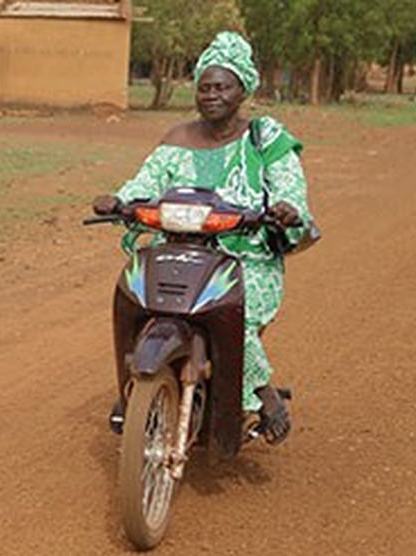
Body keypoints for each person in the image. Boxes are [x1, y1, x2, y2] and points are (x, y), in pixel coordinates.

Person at [93, 32, 317, 444]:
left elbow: (289, 185)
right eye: (205, 87)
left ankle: (263, 394)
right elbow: (146, 181)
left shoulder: (265, 138)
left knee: (240, 313)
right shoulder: (176, 140)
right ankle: (131, 386)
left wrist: (285, 207)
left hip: (247, 255)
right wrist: (120, 200)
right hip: (178, 247)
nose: (212, 95)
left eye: (222, 86)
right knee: (132, 293)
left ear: (242, 90)